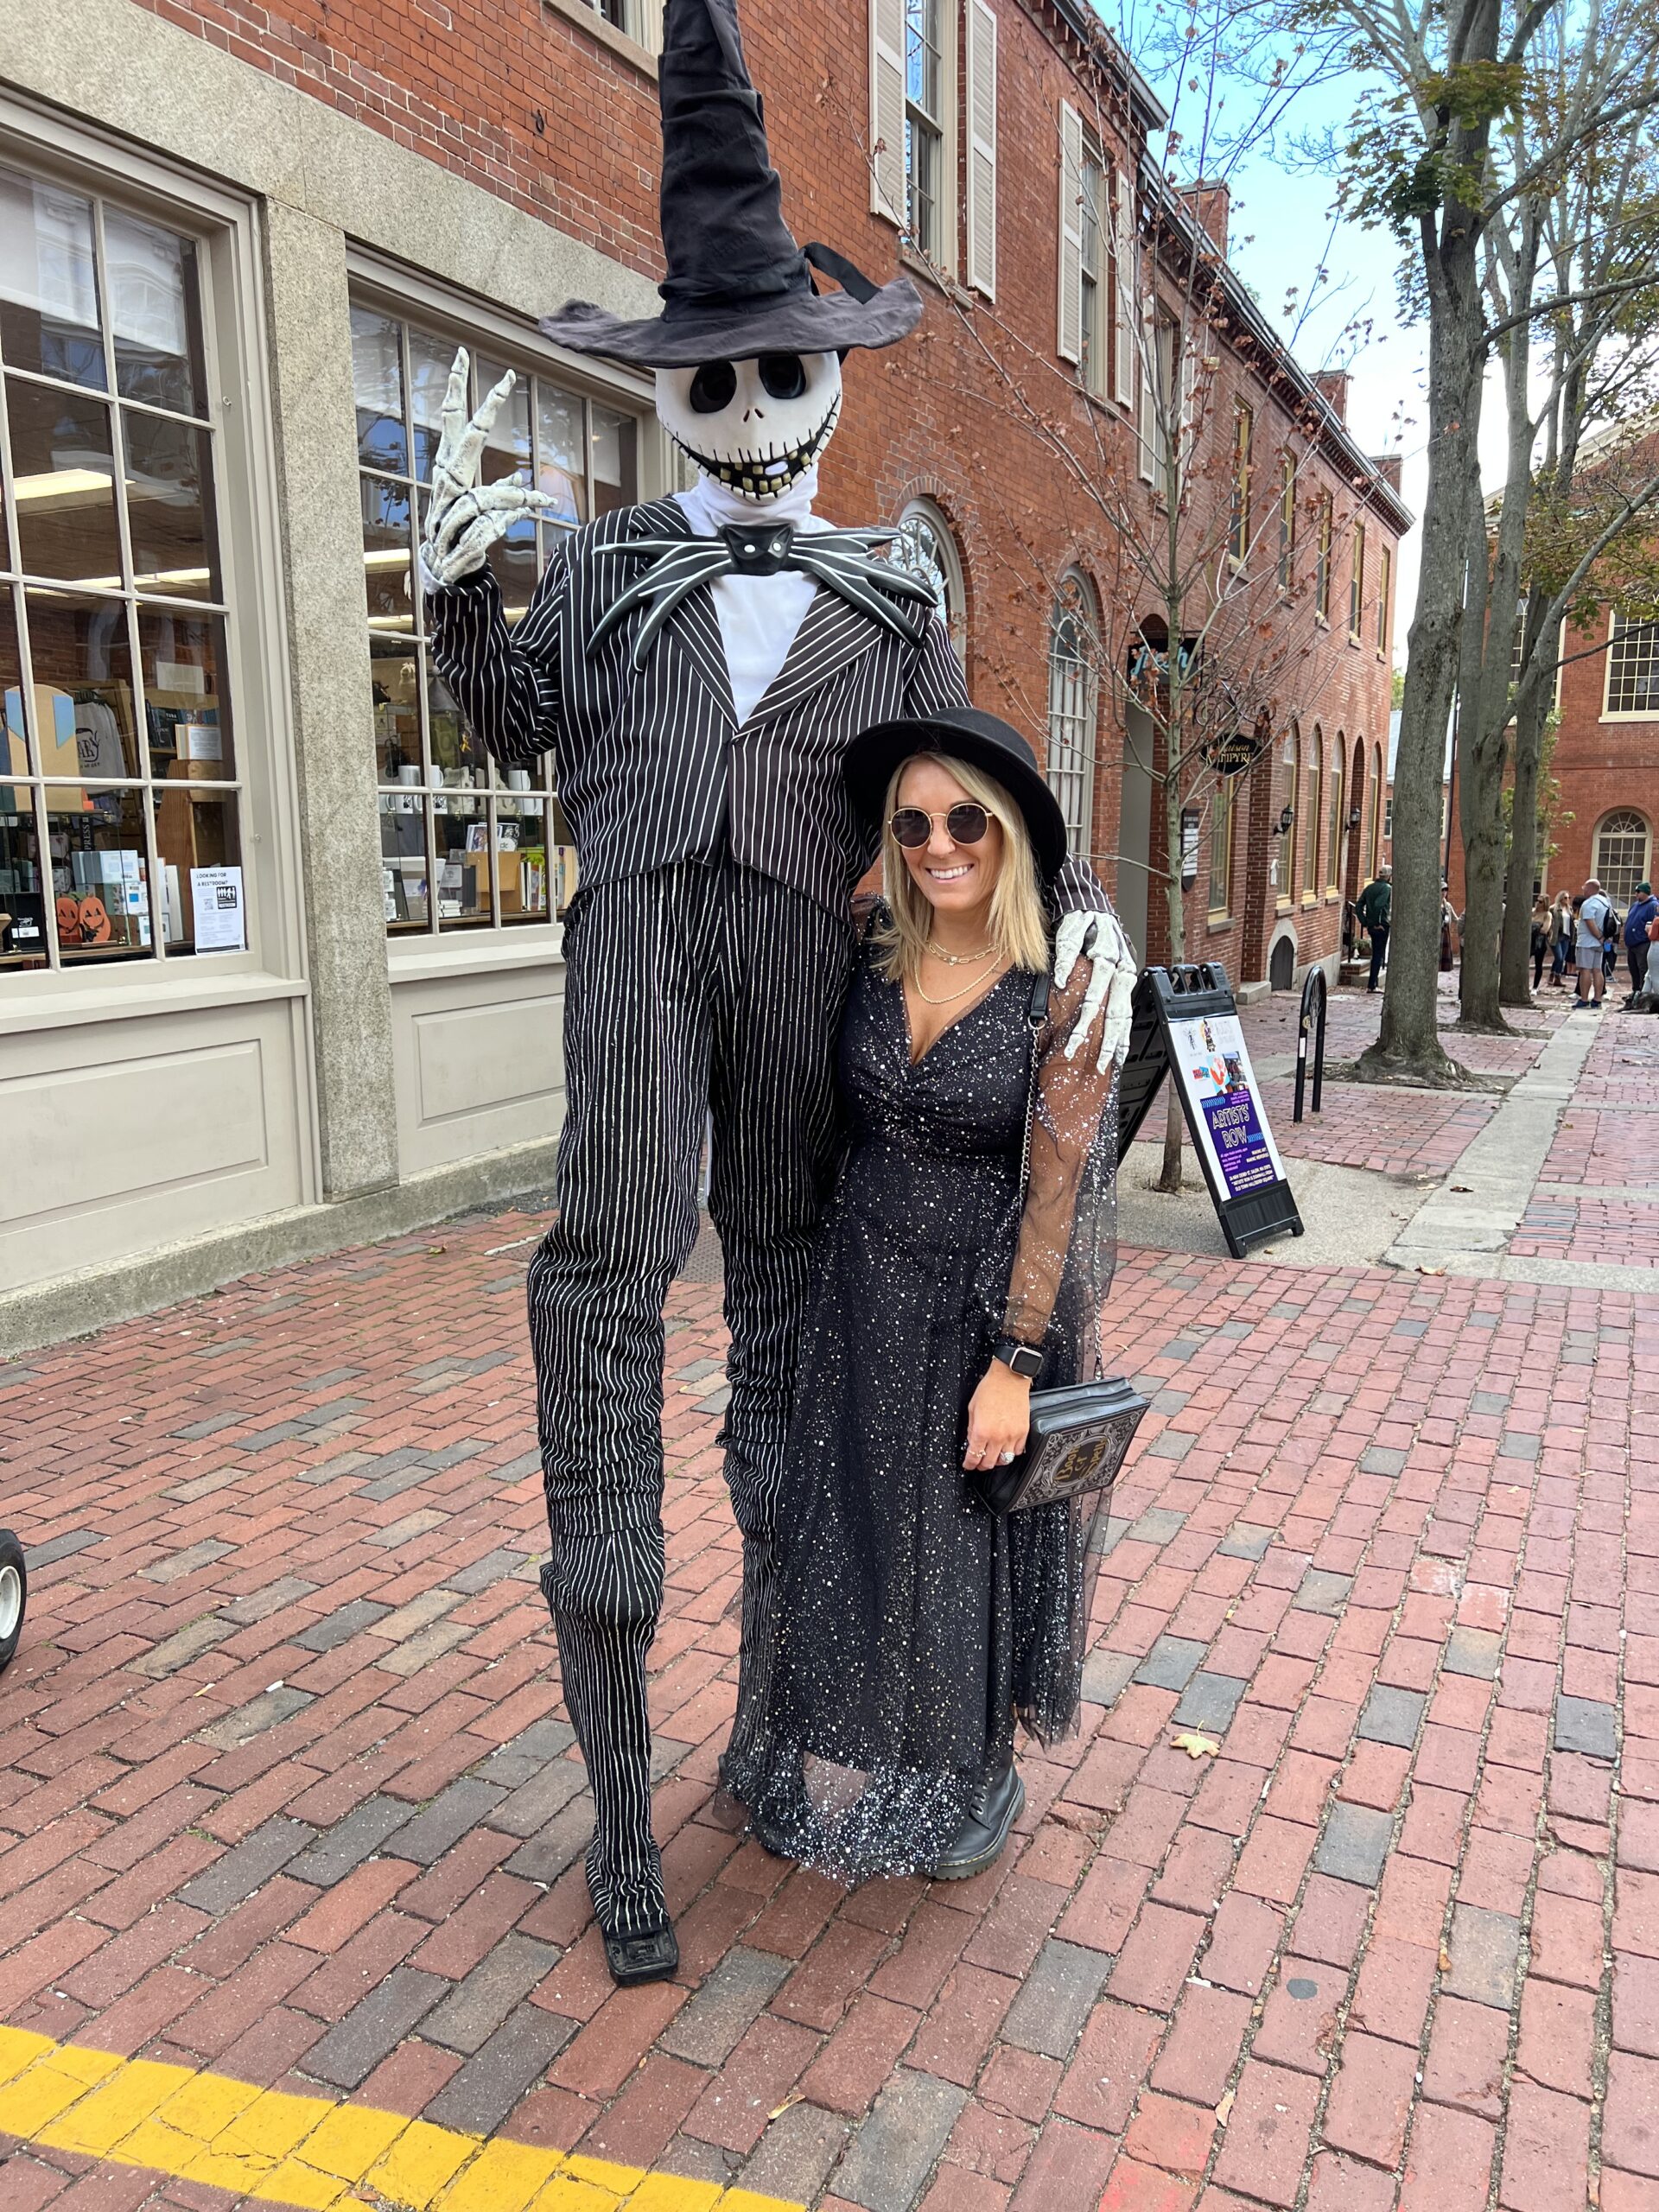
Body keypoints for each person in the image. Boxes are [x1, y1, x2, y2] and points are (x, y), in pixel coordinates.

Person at [412, 0, 1134, 1984]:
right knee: (603, 1327)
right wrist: (457, 599)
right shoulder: (614, 568)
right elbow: (513, 723)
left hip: (814, 989)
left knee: (790, 1364)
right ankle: (611, 1793)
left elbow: (960, 802)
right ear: (676, 379)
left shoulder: (890, 592)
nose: (746, 404)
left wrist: (1082, 910)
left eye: (777, 367)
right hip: (637, 963)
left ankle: (765, 1717)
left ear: (827, 372)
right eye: (712, 370)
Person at [727, 710, 1117, 1884]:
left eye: (965, 823)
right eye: (913, 824)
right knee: (854, 1525)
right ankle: (875, 1734)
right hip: (860, 1291)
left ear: (1007, 836)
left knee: (963, 1546)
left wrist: (1018, 1360)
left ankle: (977, 1764)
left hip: (982, 1300)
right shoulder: (869, 941)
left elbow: (1057, 1195)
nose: (940, 844)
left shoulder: (1069, 976)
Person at [1575, 878, 1611, 1007]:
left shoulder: (1589, 903)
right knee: (1598, 970)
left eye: (1584, 887)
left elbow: (1590, 922)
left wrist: (1599, 936)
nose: (1583, 889)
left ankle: (1584, 999)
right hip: (1599, 943)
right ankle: (1597, 999)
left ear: (1590, 889)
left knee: (1585, 970)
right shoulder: (1605, 902)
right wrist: (1602, 939)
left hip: (1587, 941)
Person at [1355, 863, 1392, 992]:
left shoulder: (1370, 887)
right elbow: (1378, 905)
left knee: (1376, 954)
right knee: (1378, 954)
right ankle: (1372, 985)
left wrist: (1365, 921)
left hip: (1371, 925)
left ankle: (1373, 983)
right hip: (1381, 925)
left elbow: (1358, 906)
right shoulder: (1387, 888)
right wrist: (1377, 923)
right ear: (1388, 877)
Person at [1627, 883, 1658, 996]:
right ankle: (1635, 992)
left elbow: (1655, 924)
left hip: (1643, 943)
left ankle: (1644, 993)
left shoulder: (1653, 906)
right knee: (1633, 969)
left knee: (1643, 969)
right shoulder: (1635, 905)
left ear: (1645, 892)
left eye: (1638, 892)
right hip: (1632, 944)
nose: (1636, 894)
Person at [1548, 891, 1573, 987]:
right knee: (1558, 957)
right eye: (1565, 898)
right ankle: (1553, 973)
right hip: (1557, 936)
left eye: (1568, 898)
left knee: (1562, 958)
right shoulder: (1553, 909)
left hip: (1566, 936)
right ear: (1560, 899)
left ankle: (1557, 978)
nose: (1567, 900)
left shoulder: (1569, 909)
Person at [1529, 893, 1551, 992]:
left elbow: (1545, 929)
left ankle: (1535, 987)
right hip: (1530, 941)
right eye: (1537, 900)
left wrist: (1535, 928)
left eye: (1541, 901)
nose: (1538, 903)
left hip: (1540, 941)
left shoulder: (1547, 914)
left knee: (1538, 964)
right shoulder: (1532, 912)